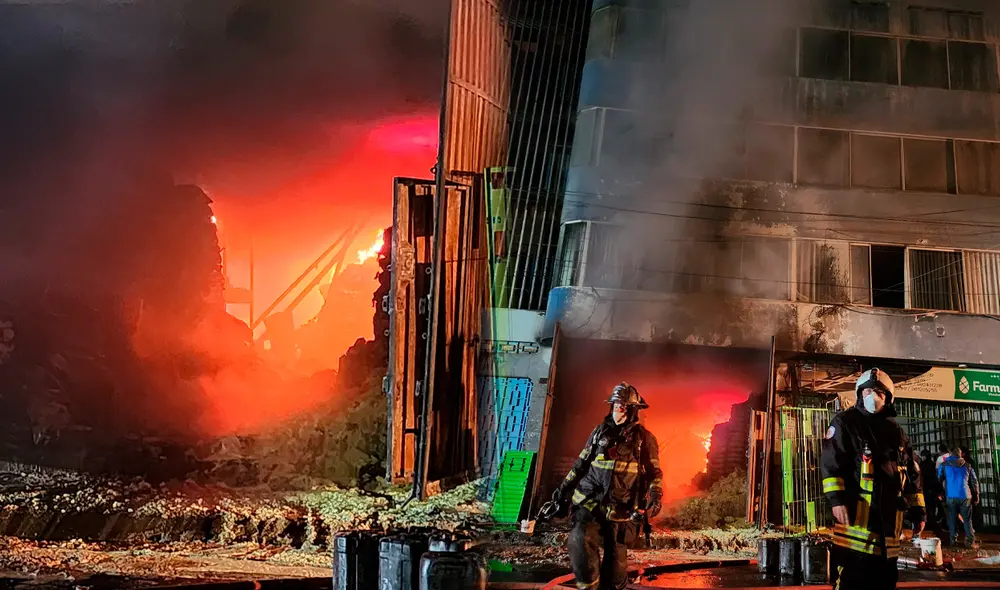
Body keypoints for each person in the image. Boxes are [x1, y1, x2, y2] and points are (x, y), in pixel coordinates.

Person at [539, 383, 663, 590]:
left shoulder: (645, 439)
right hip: (590, 503)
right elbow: (580, 465)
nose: (618, 411)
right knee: (580, 538)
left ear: (633, 410)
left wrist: (655, 495)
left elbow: (654, 473)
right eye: (615, 406)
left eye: (623, 406)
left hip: (622, 511)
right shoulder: (599, 433)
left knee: (614, 574)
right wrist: (561, 493)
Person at [821, 368, 924, 590]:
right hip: (857, 520)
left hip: (889, 527)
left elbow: (912, 472)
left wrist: (918, 511)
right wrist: (836, 500)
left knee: (885, 580)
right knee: (852, 579)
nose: (872, 397)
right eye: (867, 391)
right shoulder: (844, 422)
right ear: (859, 394)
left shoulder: (897, 432)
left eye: (878, 392)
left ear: (888, 398)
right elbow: (832, 463)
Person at [939, 446, 979, 548]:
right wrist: (976, 495)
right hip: (966, 496)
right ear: (960, 455)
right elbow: (974, 482)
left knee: (952, 519)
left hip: (951, 496)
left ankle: (953, 540)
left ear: (951, 454)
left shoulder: (944, 465)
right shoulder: (968, 465)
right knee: (967, 520)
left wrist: (941, 491)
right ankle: (970, 541)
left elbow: (939, 478)